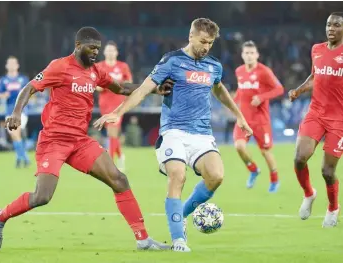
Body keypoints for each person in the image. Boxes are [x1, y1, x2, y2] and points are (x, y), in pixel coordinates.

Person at [0, 27, 174, 252]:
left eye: (97, 48)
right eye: (91, 48)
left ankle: (143, 239)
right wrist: (17, 112)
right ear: (78, 46)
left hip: (79, 141)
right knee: (42, 196)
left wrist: (155, 89)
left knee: (119, 179)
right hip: (54, 141)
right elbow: (29, 87)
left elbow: (123, 87)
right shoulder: (60, 66)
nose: (95, 52)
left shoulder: (95, 71)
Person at [94, 18, 252, 252]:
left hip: (202, 134)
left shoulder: (213, 66)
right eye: (203, 42)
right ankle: (179, 239)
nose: (206, 47)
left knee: (216, 176)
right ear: (191, 36)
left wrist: (239, 115)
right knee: (177, 175)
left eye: (210, 43)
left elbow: (219, 88)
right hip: (173, 131)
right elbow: (144, 89)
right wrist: (118, 112)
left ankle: (182, 214)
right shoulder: (172, 61)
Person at [288, 12, 343, 227]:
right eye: (329, 24)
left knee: (327, 171)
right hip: (316, 113)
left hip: (339, 120)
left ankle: (333, 207)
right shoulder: (317, 49)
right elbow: (315, 76)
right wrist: (299, 90)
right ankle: (309, 193)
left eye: (336, 25)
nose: (331, 28)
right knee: (299, 157)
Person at [233, 41, 284, 192]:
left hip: (260, 120)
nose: (249, 56)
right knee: (239, 146)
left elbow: (279, 89)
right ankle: (253, 170)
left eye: (251, 53)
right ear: (242, 55)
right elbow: (241, 91)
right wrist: (234, 102)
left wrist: (262, 97)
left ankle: (274, 180)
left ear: (257, 55)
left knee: (265, 152)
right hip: (243, 119)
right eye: (246, 53)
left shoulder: (264, 71)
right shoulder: (239, 71)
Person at [96, 41, 133, 171]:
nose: (111, 53)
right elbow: (97, 87)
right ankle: (121, 155)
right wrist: (106, 85)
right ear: (104, 52)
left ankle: (110, 163)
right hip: (105, 103)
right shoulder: (99, 66)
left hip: (119, 103)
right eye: (108, 50)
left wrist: (117, 85)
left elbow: (128, 83)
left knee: (112, 131)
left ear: (116, 52)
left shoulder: (123, 66)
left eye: (113, 50)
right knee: (112, 134)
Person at [0, 56, 30, 167]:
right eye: (10, 63)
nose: (12, 65)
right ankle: (23, 157)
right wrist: (3, 94)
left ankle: (22, 158)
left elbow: (30, 91)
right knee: (14, 135)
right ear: (7, 66)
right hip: (9, 111)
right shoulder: (3, 80)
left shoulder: (23, 79)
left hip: (21, 111)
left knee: (15, 132)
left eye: (14, 63)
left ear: (17, 65)